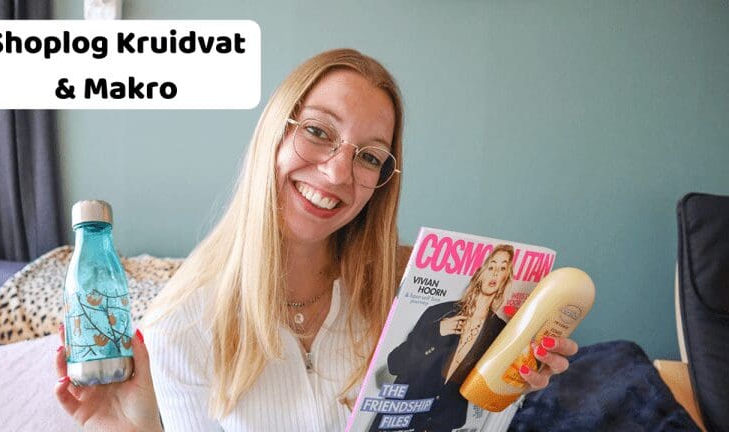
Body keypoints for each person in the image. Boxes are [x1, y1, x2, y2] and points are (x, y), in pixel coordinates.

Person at [53, 49, 579, 432]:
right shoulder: (180, 326)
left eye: (369, 156)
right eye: (319, 131)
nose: (337, 172)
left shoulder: (406, 294)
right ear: (274, 134)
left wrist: (502, 389)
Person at [370, 244, 521, 431]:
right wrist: (438, 332)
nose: (495, 273)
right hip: (398, 421)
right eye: (491, 267)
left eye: (502, 268)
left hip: (445, 424)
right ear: (480, 272)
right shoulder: (439, 312)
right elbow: (395, 363)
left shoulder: (500, 330)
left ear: (506, 277)